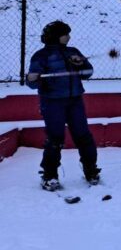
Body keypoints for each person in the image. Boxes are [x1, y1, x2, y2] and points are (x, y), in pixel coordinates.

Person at [26, 21, 100, 191]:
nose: (69, 37)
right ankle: (49, 175)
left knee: (83, 136)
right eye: (65, 34)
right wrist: (32, 78)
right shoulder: (41, 56)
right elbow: (32, 84)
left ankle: (91, 169)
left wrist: (81, 64)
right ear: (56, 36)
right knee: (55, 138)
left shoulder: (73, 52)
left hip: (75, 101)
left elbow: (88, 73)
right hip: (52, 102)